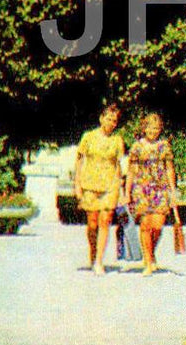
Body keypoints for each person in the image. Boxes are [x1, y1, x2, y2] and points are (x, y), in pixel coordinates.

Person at [73, 104, 126, 275]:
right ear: (101, 118)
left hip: (110, 185)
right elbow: (79, 160)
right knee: (92, 223)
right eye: (108, 119)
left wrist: (121, 190)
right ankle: (93, 251)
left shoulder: (117, 141)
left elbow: (119, 166)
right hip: (90, 184)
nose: (111, 123)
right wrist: (77, 184)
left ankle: (99, 260)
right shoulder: (88, 137)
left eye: (114, 120)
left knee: (105, 221)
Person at [126, 113, 177, 275]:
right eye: (150, 127)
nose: (153, 131)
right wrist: (127, 192)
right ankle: (148, 261)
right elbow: (131, 171)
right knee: (145, 225)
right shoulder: (136, 147)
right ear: (144, 128)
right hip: (141, 188)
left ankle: (150, 252)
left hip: (160, 189)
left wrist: (172, 190)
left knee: (158, 224)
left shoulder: (164, 146)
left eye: (156, 128)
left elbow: (169, 169)